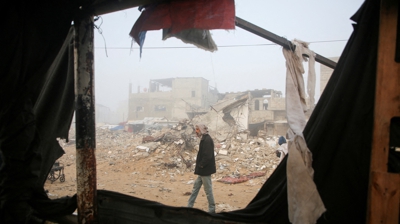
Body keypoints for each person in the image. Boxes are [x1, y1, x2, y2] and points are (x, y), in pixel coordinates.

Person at [187, 124, 216, 213]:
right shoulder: (204, 139)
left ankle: (212, 210)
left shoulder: (207, 140)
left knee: (208, 190)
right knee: (195, 188)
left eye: (197, 130)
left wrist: (201, 165)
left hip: (205, 170)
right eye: (196, 130)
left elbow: (208, 156)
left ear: (202, 130)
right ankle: (189, 207)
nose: (196, 131)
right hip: (202, 170)